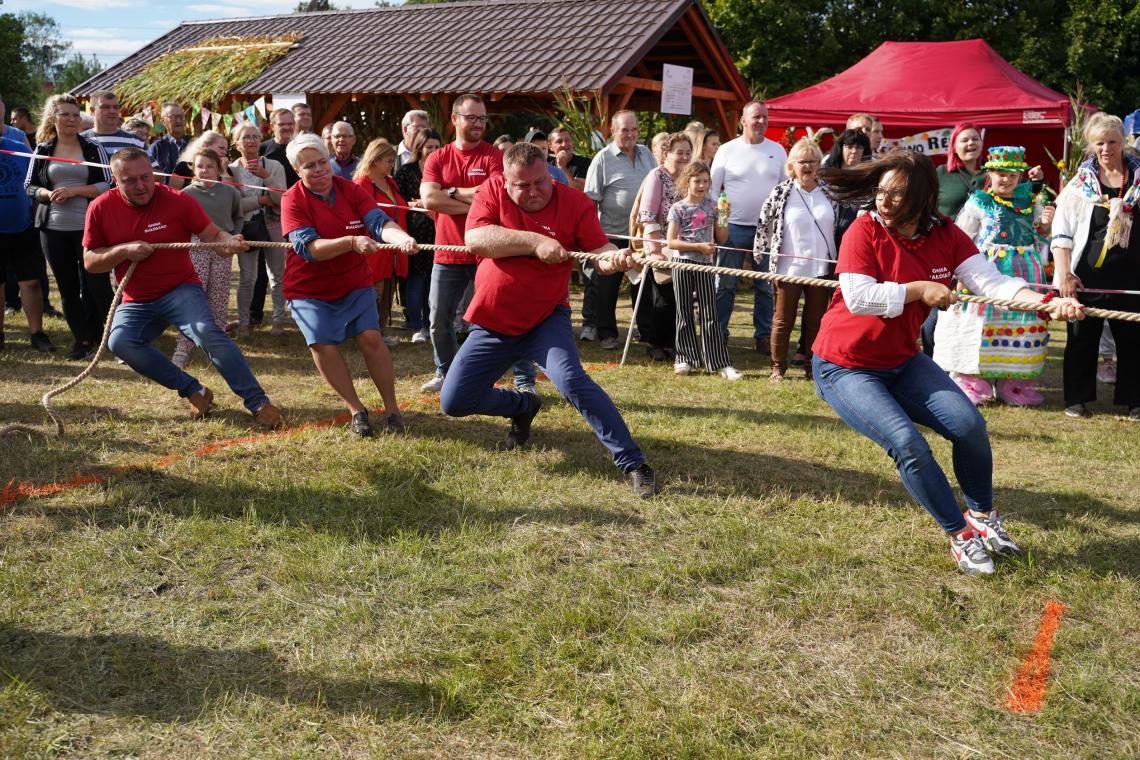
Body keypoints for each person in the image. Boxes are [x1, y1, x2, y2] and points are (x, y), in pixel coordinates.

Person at [813, 150, 1083, 574]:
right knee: (908, 445)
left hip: (903, 360)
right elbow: (859, 298)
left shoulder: (946, 234)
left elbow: (991, 282)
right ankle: (961, 536)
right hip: (845, 365)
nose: (883, 201)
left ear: (921, 198)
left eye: (896, 194)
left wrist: (1045, 303)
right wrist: (918, 289)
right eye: (881, 191)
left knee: (970, 426)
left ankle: (982, 516)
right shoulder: (863, 230)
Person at [441, 142, 659, 498]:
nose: (534, 192)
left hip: (546, 319)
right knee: (454, 401)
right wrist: (534, 241)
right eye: (522, 186)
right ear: (506, 182)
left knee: (572, 380)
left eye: (540, 182)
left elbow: (597, 253)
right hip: (494, 318)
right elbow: (476, 238)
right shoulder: (491, 190)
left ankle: (634, 463)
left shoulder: (575, 202)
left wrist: (614, 259)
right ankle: (523, 405)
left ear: (549, 172)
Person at [82, 148, 283, 428]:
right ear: (115, 179)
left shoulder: (177, 199)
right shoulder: (101, 207)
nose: (141, 186)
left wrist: (228, 243)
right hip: (137, 299)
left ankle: (257, 402)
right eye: (130, 180)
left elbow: (213, 235)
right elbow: (91, 262)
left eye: (146, 177)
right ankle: (195, 391)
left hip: (181, 289)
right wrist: (123, 251)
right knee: (120, 342)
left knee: (207, 332)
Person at [280, 134, 417, 436]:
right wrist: (351, 242)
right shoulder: (291, 200)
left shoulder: (350, 189)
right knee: (322, 343)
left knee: (371, 337)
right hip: (308, 288)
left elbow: (379, 221)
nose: (319, 170)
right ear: (297, 171)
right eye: (309, 166)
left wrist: (402, 239)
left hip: (353, 281)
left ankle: (392, 410)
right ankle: (357, 409)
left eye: (321, 162)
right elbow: (310, 249)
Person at [420, 94, 535, 394]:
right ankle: (446, 372)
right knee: (438, 318)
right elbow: (430, 198)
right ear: (455, 119)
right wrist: (476, 203)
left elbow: (498, 193)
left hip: (488, 252)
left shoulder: (494, 157)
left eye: (482, 118)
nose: (478, 124)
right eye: (471, 118)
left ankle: (524, 380)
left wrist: (453, 192)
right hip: (447, 252)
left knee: (505, 315)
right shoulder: (437, 157)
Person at [934, 146, 1054, 406]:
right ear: (990, 173)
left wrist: (1045, 223)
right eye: (1000, 173)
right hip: (985, 270)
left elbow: (1039, 232)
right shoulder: (979, 201)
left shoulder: (1030, 201)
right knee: (978, 324)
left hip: (1024, 269)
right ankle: (973, 379)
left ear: (1020, 176)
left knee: (1018, 322)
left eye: (1012, 175)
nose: (1006, 180)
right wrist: (960, 272)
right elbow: (962, 238)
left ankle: (1013, 381)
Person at [1051, 112, 1140, 421]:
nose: (1106, 149)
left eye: (1112, 142)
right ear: (1091, 145)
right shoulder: (1080, 185)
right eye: (1099, 143)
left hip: (1132, 276)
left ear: (1124, 143)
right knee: (1080, 339)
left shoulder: (1138, 181)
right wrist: (1064, 274)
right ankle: (1077, 399)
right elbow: (1060, 235)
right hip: (1086, 278)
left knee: (1134, 340)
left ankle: (1135, 400)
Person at [25, 93, 114, 361]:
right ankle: (83, 339)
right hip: (52, 229)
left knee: (97, 284)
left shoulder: (92, 147)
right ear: (54, 118)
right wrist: (46, 194)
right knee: (68, 287)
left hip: (89, 227)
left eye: (76, 115)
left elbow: (107, 182)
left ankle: (113, 337)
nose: (72, 120)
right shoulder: (42, 149)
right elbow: (29, 185)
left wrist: (76, 191)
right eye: (65, 114)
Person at [754, 138, 838, 381]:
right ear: (792, 165)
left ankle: (813, 369)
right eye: (802, 162)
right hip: (788, 268)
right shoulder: (782, 191)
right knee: (782, 321)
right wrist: (760, 251)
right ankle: (777, 369)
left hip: (821, 267)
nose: (808, 166)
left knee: (815, 322)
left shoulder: (829, 192)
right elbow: (764, 221)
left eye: (812, 161)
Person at [710, 99, 787, 352]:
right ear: (743, 120)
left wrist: (779, 226)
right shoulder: (726, 150)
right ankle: (718, 334)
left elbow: (786, 191)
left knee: (765, 286)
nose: (761, 122)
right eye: (756, 117)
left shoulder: (777, 150)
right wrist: (719, 227)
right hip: (731, 226)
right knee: (725, 284)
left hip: (767, 230)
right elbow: (713, 193)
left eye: (765, 117)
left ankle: (763, 337)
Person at [583, 110, 656, 349]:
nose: (630, 134)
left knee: (643, 286)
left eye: (634, 129)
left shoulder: (647, 154)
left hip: (641, 235)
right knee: (607, 287)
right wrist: (592, 238)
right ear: (612, 131)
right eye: (625, 130)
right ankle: (607, 334)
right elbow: (590, 201)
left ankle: (646, 332)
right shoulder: (602, 159)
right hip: (610, 235)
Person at [667, 160, 741, 380]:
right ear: (686, 182)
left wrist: (724, 217)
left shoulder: (713, 206)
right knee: (684, 311)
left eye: (705, 181)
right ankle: (685, 358)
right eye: (697, 181)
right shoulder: (678, 208)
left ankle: (718, 362)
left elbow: (722, 237)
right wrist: (697, 247)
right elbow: (671, 242)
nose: (701, 185)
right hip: (682, 264)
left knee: (710, 313)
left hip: (706, 266)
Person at [171, 146, 243, 369]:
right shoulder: (187, 194)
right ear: (193, 169)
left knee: (219, 295)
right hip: (196, 246)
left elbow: (237, 216)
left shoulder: (230, 192)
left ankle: (218, 346)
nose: (205, 170)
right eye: (200, 166)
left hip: (222, 246)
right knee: (195, 294)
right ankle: (183, 347)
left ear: (219, 169)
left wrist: (232, 237)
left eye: (210, 166)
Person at [633, 131, 690, 361]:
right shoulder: (657, 176)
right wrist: (656, 251)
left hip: (686, 247)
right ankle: (656, 342)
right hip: (660, 244)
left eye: (688, 152)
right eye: (679, 152)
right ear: (666, 154)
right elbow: (647, 214)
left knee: (682, 296)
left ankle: (675, 342)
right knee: (664, 296)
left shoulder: (690, 177)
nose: (685, 157)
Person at [229, 122, 287, 337]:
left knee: (277, 275)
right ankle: (244, 323)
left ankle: (279, 320)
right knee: (247, 277)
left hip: (274, 224)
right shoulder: (231, 170)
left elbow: (282, 200)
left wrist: (266, 176)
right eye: (246, 137)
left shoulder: (274, 166)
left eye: (255, 136)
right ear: (237, 143)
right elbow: (236, 206)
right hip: (245, 227)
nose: (252, 140)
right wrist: (262, 199)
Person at [0, 128, 53, 352]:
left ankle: (37, 333)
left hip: (24, 227)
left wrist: (35, 217)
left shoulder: (20, 149)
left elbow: (34, 185)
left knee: (31, 282)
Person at [353, 138, 408, 346]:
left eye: (393, 160)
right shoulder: (360, 185)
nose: (391, 164)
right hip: (372, 248)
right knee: (372, 292)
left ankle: (380, 331)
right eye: (388, 160)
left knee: (387, 290)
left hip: (392, 250)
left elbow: (398, 207)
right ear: (374, 160)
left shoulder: (390, 182)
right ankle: (369, 334)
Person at [394, 128, 442, 344]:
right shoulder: (406, 171)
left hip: (439, 232)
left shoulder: (444, 169)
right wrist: (420, 204)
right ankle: (416, 326)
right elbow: (397, 200)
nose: (432, 150)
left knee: (434, 280)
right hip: (413, 231)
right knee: (415, 280)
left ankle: (432, 323)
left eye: (436, 146)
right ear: (419, 148)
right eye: (428, 146)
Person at [81, 91, 146, 157]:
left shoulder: (136, 141)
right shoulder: (80, 141)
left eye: (116, 107)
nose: (112, 111)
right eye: (105, 107)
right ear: (92, 110)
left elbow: (152, 167)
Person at [261, 108, 299, 188]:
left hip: (299, 196)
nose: (287, 127)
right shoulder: (263, 148)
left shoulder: (301, 146)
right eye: (281, 124)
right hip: (273, 197)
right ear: (272, 126)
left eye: (290, 124)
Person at [148, 102, 189, 175]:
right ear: (163, 121)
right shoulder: (157, 147)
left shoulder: (194, 143)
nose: (179, 121)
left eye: (181, 117)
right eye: (174, 117)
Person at [548, 126, 590, 191]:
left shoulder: (585, 163)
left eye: (567, 140)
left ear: (572, 142)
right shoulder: (546, 166)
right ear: (550, 146)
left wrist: (562, 167)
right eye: (559, 141)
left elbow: (579, 189)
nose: (564, 144)